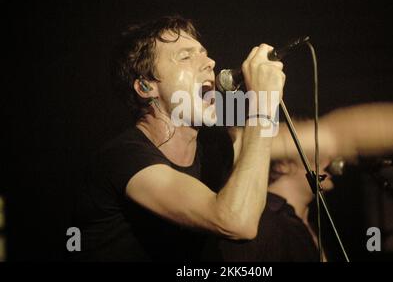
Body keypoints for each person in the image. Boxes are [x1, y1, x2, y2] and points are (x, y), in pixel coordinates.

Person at [73, 15, 287, 261]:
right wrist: (262, 106)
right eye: (185, 56)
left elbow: (320, 139)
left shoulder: (216, 145)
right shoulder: (123, 158)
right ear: (145, 87)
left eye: (204, 53)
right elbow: (236, 221)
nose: (210, 62)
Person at [206, 102, 393, 261]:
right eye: (315, 150)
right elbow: (337, 134)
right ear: (281, 163)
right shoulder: (261, 221)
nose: (330, 157)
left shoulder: (311, 224)